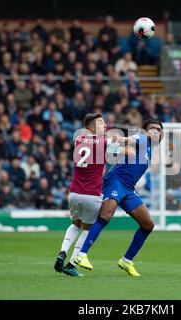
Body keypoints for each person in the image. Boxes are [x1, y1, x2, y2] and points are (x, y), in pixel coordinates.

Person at [74, 119, 163, 277]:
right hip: (116, 181)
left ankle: (127, 260)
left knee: (148, 225)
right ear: (144, 131)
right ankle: (81, 254)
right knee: (106, 215)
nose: (156, 131)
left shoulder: (149, 148)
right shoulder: (141, 139)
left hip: (128, 188)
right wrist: (120, 140)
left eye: (159, 129)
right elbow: (128, 140)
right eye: (153, 128)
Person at [54, 113, 111, 277]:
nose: (105, 126)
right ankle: (71, 263)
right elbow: (122, 147)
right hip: (91, 194)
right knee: (88, 229)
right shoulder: (104, 142)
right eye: (101, 123)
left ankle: (62, 252)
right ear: (91, 128)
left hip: (73, 193)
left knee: (75, 223)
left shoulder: (78, 140)